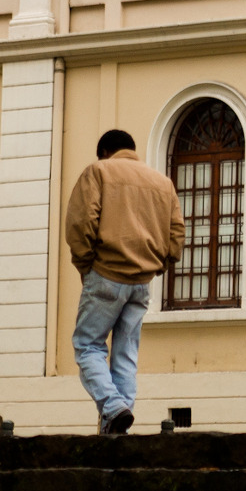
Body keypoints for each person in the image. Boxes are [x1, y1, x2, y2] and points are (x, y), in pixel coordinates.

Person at [65, 129, 185, 434]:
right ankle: (118, 425)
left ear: (105, 152)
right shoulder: (163, 183)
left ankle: (113, 406)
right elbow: (176, 236)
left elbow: (81, 223)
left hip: (106, 274)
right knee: (126, 355)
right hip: (142, 282)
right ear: (131, 150)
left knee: (87, 346)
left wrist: (86, 267)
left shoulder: (99, 172)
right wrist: (158, 266)